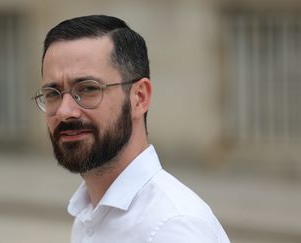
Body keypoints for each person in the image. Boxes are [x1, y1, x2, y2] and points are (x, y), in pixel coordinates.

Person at [33, 15, 230, 243]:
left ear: (139, 98)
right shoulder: (88, 215)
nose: (65, 111)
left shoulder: (171, 228)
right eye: (52, 93)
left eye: (88, 89)